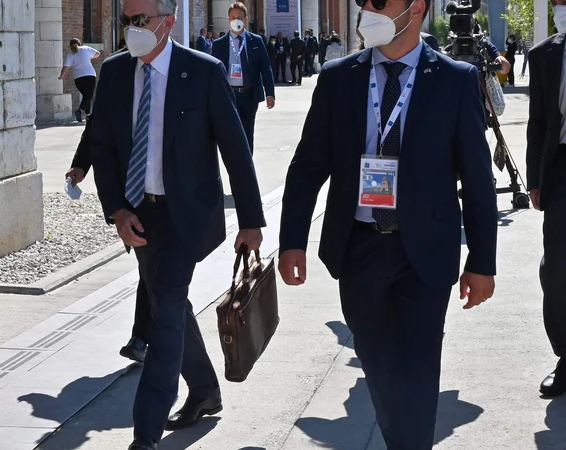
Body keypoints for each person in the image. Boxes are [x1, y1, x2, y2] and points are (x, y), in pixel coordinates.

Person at [278, 0, 497, 448]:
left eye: (380, 2)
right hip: (359, 249)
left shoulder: (456, 80)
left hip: (425, 253)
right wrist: (292, 241)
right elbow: (307, 166)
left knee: (417, 374)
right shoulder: (339, 78)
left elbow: (477, 179)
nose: (368, 11)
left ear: (415, 7)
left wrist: (482, 260)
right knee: (377, 368)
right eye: (364, 4)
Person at [89, 0, 266, 447]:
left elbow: (235, 149)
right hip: (138, 214)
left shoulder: (202, 72)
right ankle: (205, 390)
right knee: (169, 303)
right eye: (127, 21)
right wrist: (117, 209)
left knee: (164, 313)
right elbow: (104, 147)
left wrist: (250, 219)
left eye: (141, 21)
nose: (132, 29)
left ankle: (145, 433)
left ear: (167, 23)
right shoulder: (113, 74)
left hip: (184, 215)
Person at [66, 114, 150, 364]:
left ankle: (148, 340)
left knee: (162, 277)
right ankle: (143, 339)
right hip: (135, 192)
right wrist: (81, 163)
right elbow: (98, 121)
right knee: (151, 270)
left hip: (178, 191)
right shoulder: (119, 74)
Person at [527, 3, 566, 398]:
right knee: (557, 268)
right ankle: (565, 356)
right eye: (558, 3)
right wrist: (535, 179)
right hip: (562, 169)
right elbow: (537, 121)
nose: (562, 9)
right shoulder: (544, 55)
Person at [211, 2, 276, 154]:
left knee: (247, 134)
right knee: (230, 134)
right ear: (228, 19)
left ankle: (247, 168)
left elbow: (265, 68)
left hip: (249, 95)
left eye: (239, 17)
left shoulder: (256, 41)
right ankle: (235, 166)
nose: (236, 20)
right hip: (228, 96)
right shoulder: (219, 44)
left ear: (246, 19)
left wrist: (270, 92)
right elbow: (213, 73)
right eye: (233, 17)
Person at [60, 38, 102, 122]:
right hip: (89, 75)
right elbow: (98, 53)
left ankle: (88, 116)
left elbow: (65, 67)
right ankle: (80, 110)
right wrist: (90, 57)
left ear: (70, 45)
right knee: (88, 96)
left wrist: (61, 76)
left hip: (78, 77)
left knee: (86, 96)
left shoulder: (70, 54)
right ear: (80, 43)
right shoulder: (86, 48)